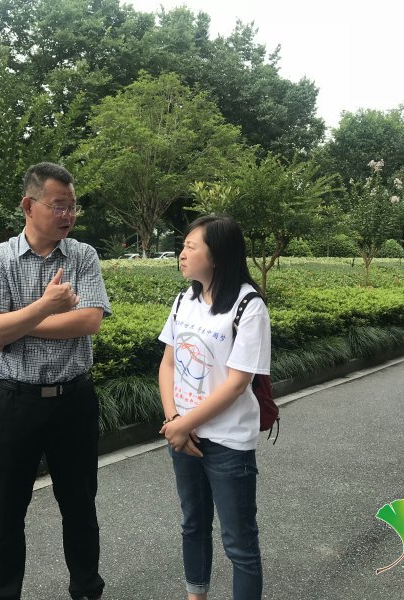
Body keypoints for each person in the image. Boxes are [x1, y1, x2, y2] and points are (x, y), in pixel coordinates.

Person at [0, 162, 111, 600]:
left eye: (73, 206)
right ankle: (2, 594)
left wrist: (17, 323)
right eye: (59, 206)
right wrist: (46, 307)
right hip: (14, 401)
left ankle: (86, 589)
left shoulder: (83, 256)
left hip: (74, 400)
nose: (68, 215)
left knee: (80, 505)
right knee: (6, 511)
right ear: (28, 206)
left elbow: (88, 321)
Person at [158, 215, 271, 600]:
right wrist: (174, 419)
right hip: (184, 436)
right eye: (183, 246)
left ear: (218, 256)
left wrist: (182, 424)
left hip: (227, 442)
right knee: (193, 525)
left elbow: (238, 384)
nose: (182, 254)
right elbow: (168, 364)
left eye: (191, 247)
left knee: (239, 543)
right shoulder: (184, 301)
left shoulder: (248, 306)